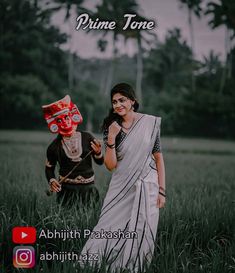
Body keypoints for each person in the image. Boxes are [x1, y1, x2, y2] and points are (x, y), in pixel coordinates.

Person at [80, 83, 166, 272]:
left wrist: (162, 191)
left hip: (148, 186)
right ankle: (94, 264)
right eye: (114, 102)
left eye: (122, 100)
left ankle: (134, 266)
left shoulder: (149, 124)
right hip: (121, 186)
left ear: (132, 101)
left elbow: (159, 159)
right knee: (108, 225)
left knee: (143, 229)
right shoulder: (112, 127)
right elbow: (110, 166)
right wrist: (110, 138)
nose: (118, 105)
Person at [42, 95, 103, 208]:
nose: (64, 122)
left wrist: (98, 153)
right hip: (66, 191)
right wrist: (51, 180)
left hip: (88, 189)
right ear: (54, 124)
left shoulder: (87, 137)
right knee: (67, 221)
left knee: (90, 220)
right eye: (59, 120)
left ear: (72, 116)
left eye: (66, 118)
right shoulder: (53, 147)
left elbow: (100, 162)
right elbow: (49, 168)